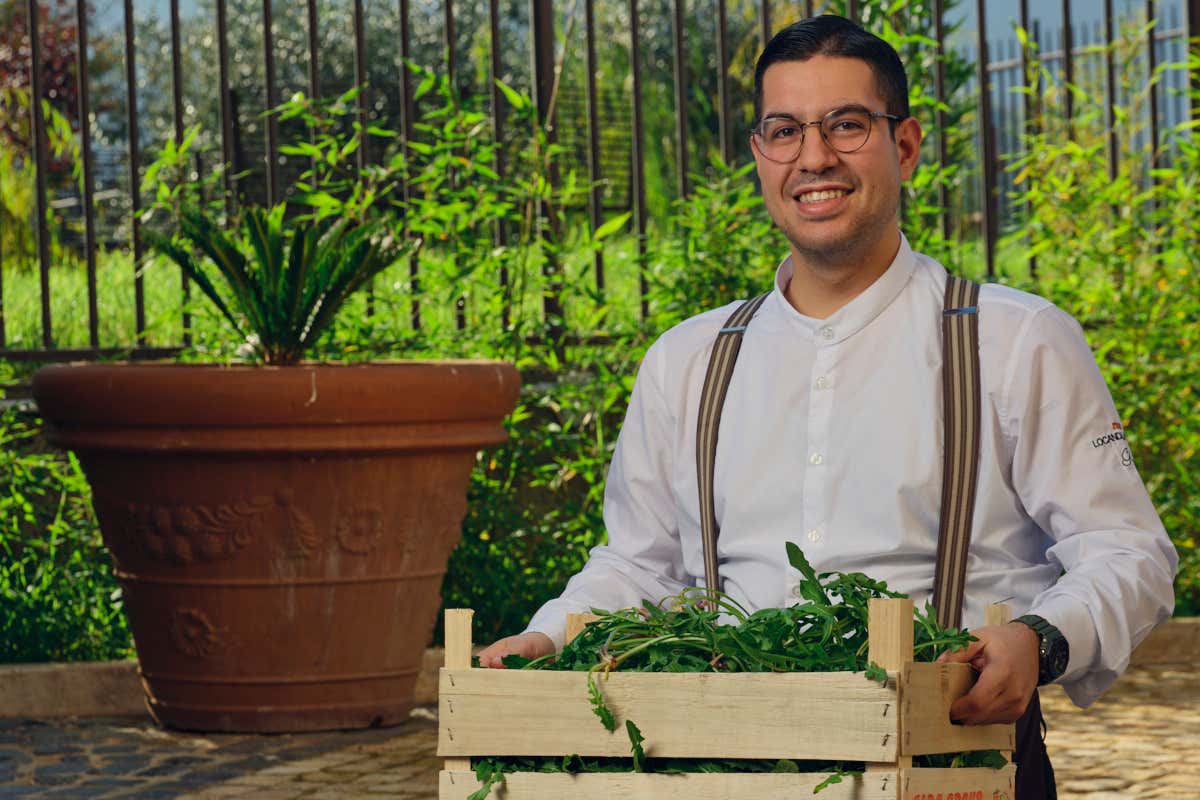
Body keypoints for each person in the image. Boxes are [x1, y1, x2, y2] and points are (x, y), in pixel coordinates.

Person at [475, 14, 1177, 798]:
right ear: (760, 155)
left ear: (904, 146)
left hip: (958, 759)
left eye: (846, 124)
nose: (814, 158)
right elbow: (639, 563)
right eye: (785, 131)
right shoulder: (687, 361)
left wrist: (1039, 639)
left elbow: (1128, 551)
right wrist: (549, 636)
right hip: (722, 767)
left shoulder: (1016, 341)